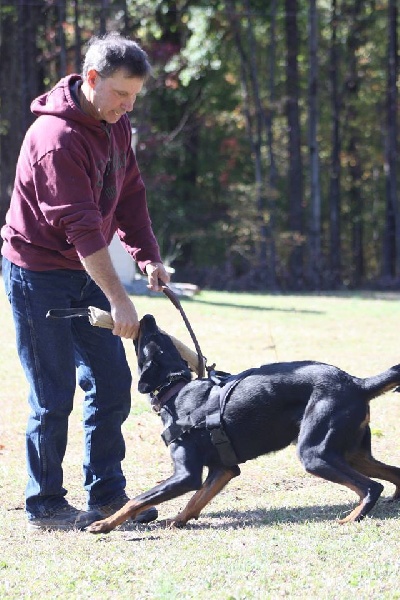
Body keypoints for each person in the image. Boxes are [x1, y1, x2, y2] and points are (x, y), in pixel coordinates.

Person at [1, 32, 170, 532]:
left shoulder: (114, 124)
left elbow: (131, 193)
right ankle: (46, 505)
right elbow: (80, 229)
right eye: (121, 94)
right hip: (39, 275)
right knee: (52, 397)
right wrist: (120, 300)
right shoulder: (54, 140)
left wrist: (148, 257)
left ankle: (108, 496)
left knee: (113, 384)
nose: (128, 105)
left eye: (135, 95)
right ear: (92, 79)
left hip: (82, 270)